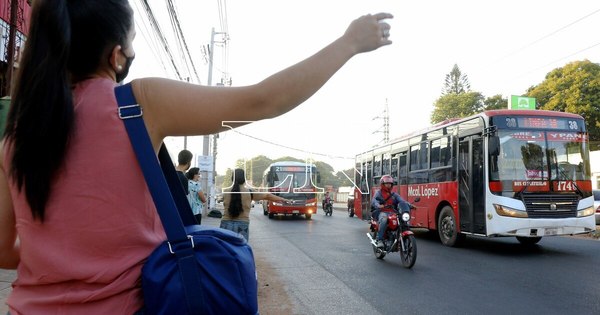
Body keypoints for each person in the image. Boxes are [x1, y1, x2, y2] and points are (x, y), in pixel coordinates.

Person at [0, 0, 392, 313]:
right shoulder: (137, 103)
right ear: (117, 56)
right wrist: (349, 44)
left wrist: (56, 260)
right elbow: (263, 100)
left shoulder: (16, 135)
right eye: (133, 42)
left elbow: (4, 250)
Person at [221, 169, 291, 241]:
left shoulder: (225, 191)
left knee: (224, 250)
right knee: (241, 250)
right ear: (244, 179)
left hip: (225, 224)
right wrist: (283, 199)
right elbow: (267, 196)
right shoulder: (249, 192)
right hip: (242, 224)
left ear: (232, 178)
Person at [371, 175, 409, 248]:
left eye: (390, 184)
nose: (388, 185)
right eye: (387, 183)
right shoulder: (378, 193)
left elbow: (402, 201)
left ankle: (398, 237)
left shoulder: (394, 195)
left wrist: (409, 205)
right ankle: (380, 240)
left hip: (393, 212)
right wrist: (378, 205)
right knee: (384, 219)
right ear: (383, 184)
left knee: (402, 219)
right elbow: (374, 201)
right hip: (382, 212)